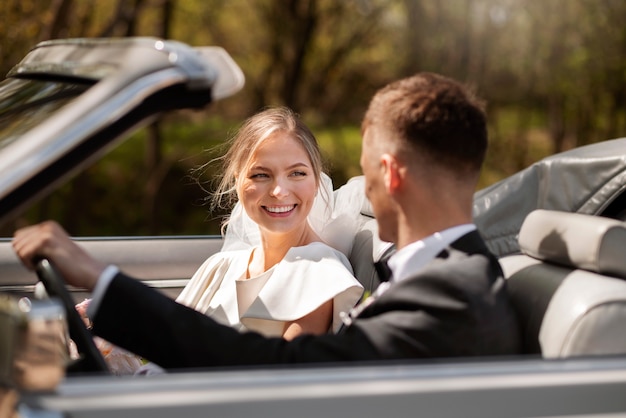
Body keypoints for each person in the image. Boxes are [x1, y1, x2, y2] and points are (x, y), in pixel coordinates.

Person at [13, 72, 521, 369]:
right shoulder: (440, 278)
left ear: (388, 174)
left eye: (364, 174)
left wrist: (102, 280)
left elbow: (279, 373)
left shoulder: (454, 293)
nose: (357, 192)